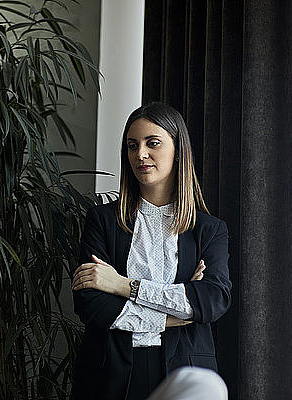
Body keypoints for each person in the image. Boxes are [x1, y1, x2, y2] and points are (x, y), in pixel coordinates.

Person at [70, 102, 231, 400]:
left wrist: (120, 285)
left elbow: (211, 301)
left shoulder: (209, 230)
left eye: (152, 143)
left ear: (178, 149)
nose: (140, 154)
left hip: (184, 371)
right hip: (108, 375)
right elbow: (91, 303)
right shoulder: (102, 220)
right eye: (132, 146)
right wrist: (177, 312)